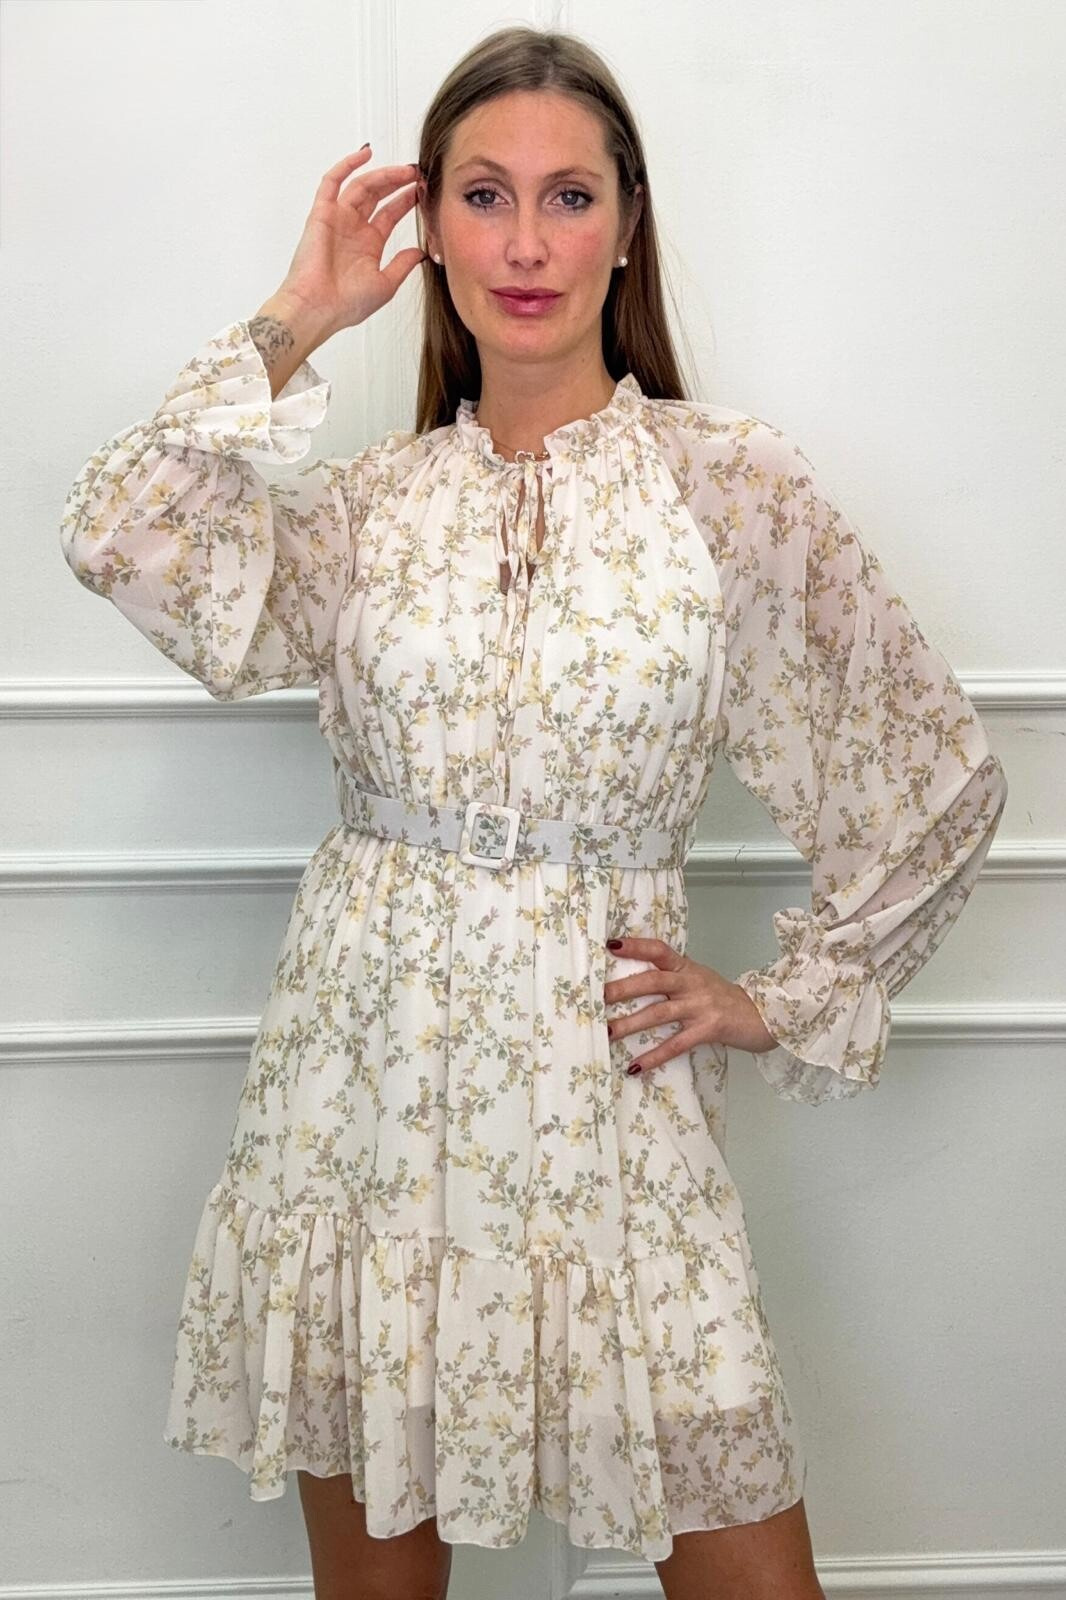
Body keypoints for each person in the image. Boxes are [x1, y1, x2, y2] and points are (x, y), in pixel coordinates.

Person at [58, 25, 1007, 1600]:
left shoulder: (728, 488)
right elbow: (121, 536)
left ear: (626, 225)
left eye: (568, 197)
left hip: (609, 1107)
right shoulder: (367, 509)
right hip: (360, 1092)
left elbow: (932, 777)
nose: (523, 243)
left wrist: (778, 1000)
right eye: (483, 196)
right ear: (433, 230)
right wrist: (301, 312)